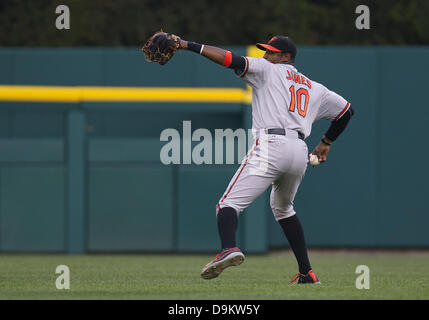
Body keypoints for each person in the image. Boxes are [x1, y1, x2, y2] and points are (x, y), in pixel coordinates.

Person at [177, 35, 354, 284]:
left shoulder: (267, 70)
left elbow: (229, 59)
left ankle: (229, 248)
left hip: (272, 145)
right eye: (265, 51)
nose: (265, 55)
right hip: (299, 151)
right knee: (284, 209)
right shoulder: (315, 88)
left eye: (271, 52)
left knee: (227, 204)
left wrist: (187, 45)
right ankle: (307, 273)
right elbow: (346, 111)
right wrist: (326, 143)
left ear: (285, 57)